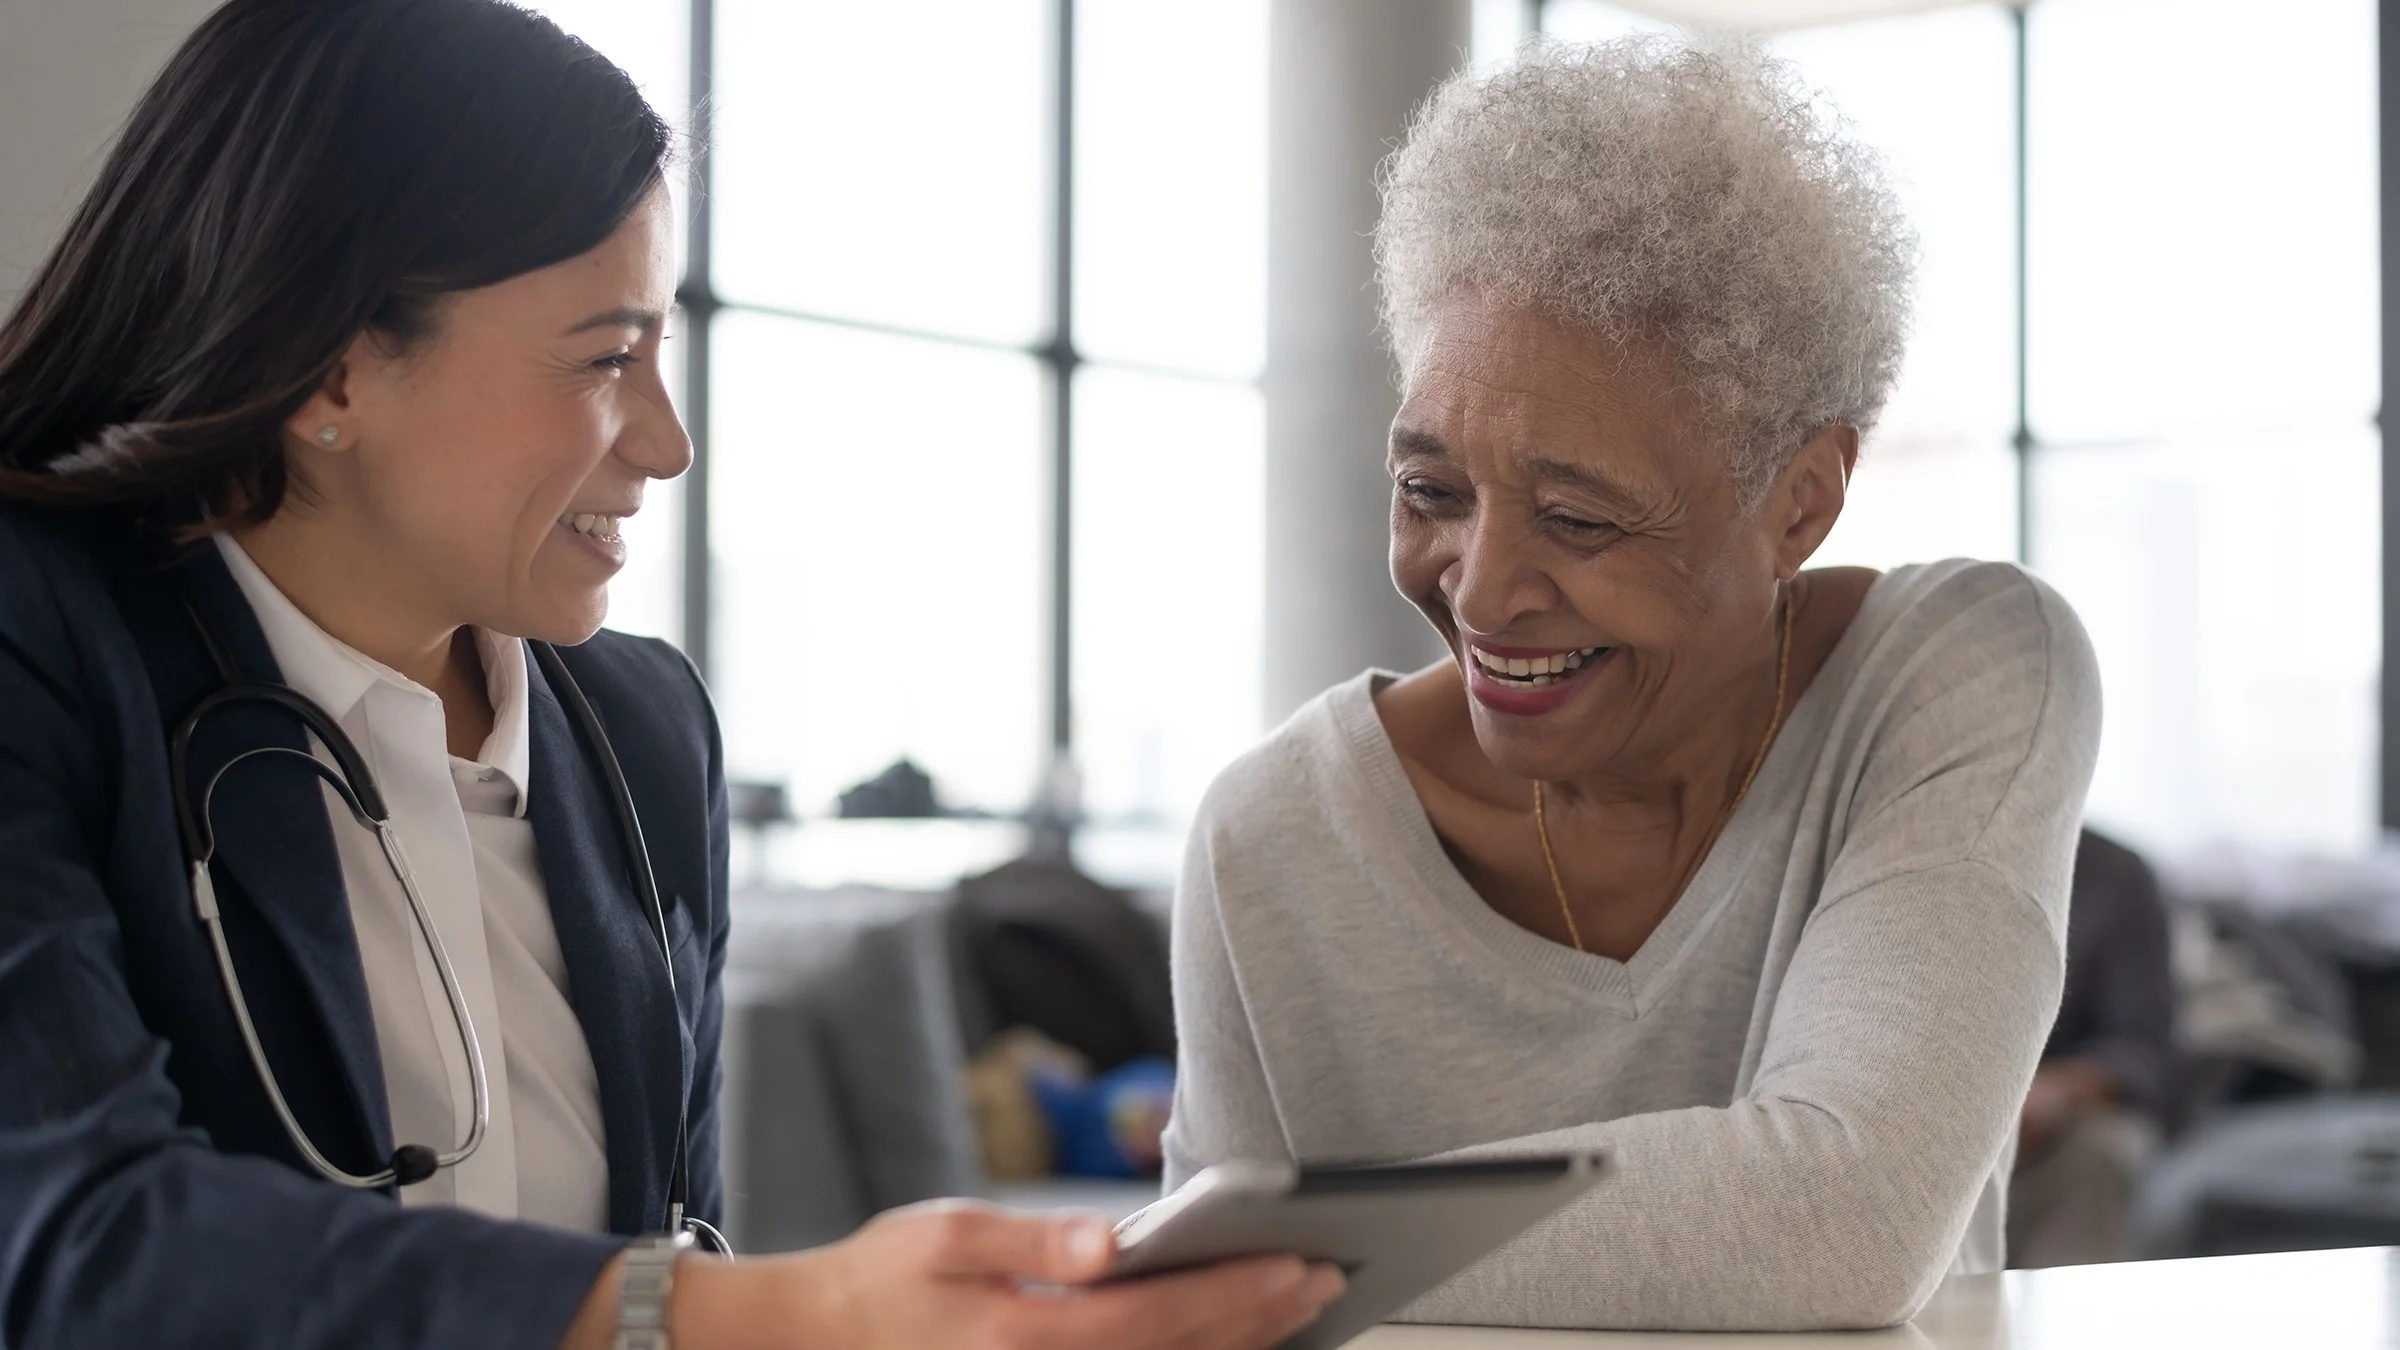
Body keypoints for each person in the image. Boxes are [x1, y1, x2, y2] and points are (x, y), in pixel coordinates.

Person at [0, 3, 1340, 1347]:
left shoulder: (639, 732)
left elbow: (678, 1249)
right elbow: (77, 1245)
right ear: (332, 366)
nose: (666, 440)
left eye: (664, 351)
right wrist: (770, 1310)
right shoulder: (40, 649)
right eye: (604, 359)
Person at [1163, 37, 2100, 1333]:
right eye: (1432, 492)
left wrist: (1274, 1245)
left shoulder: (1954, 675)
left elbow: (1845, 1219)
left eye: (1580, 518)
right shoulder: (1270, 843)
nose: (1482, 594)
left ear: (1801, 501)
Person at [2008, 829, 2177, 1268]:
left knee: (2104, 1152)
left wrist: (2056, 1092)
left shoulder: (2116, 875)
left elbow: (2143, 1051)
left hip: (2053, 1122)